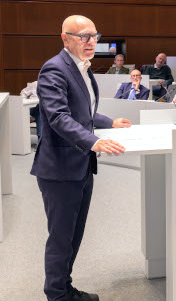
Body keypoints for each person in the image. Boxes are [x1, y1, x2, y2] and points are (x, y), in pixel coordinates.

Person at [31, 15, 131, 301]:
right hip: (59, 169)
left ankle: (65, 287)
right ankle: (57, 295)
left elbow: (81, 113)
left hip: (81, 165)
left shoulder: (83, 68)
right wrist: (94, 140)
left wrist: (108, 122)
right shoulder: (54, 69)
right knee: (61, 238)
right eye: (83, 37)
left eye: (94, 36)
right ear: (65, 38)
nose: (91, 42)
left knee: (74, 236)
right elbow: (59, 117)